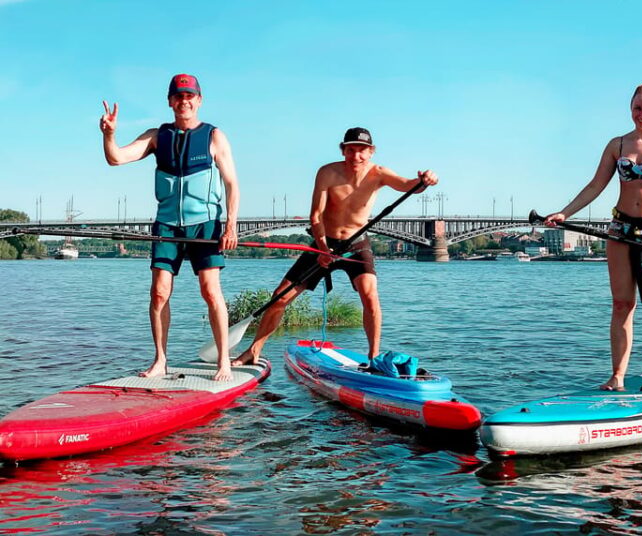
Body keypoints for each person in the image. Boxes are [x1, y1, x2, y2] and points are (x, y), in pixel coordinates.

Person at [232, 127, 437, 367]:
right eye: (351, 150)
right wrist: (323, 249)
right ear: (343, 150)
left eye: (362, 151)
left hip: (356, 244)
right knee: (280, 297)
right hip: (324, 243)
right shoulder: (327, 172)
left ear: (371, 152)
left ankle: (373, 358)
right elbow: (316, 216)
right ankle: (253, 350)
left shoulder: (379, 174)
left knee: (370, 297)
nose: (356, 157)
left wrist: (425, 180)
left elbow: (408, 185)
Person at [545, 82, 642, 393]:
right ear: (631, 108)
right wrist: (565, 213)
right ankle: (617, 377)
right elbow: (595, 185)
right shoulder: (617, 145)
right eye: (637, 107)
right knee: (621, 305)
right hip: (621, 230)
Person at [100, 74, 240, 381]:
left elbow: (231, 183)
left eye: (190, 96)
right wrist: (109, 134)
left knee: (210, 292)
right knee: (159, 292)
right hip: (166, 226)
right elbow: (116, 158)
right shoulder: (156, 136)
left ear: (199, 100)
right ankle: (161, 359)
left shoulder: (214, 136)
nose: (184, 101)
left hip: (204, 225)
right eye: (178, 96)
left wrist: (230, 226)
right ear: (170, 101)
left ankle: (224, 363)